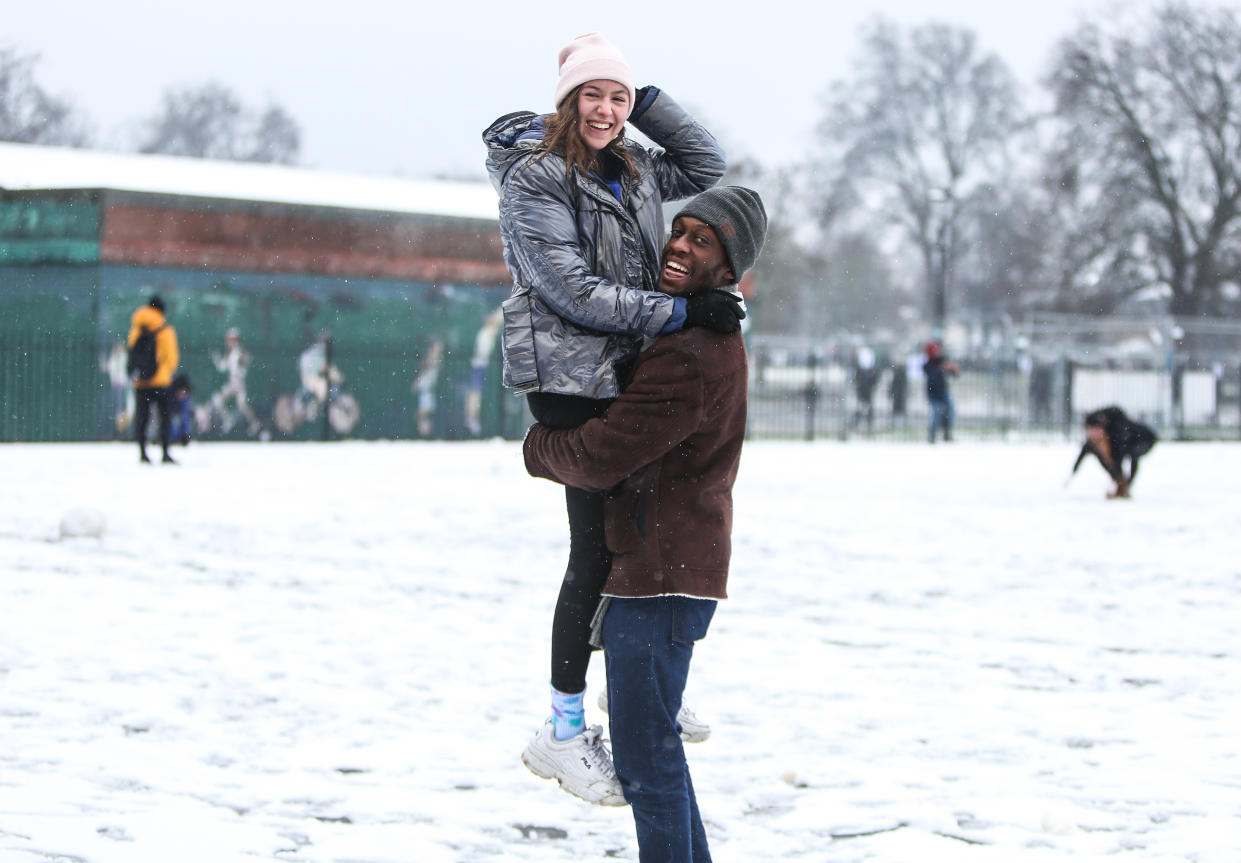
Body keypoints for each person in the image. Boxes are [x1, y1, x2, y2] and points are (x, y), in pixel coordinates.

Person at [483, 32, 733, 804]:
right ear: (565, 100)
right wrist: (682, 309)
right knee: (594, 544)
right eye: (592, 95)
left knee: (634, 527)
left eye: (617, 98)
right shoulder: (534, 179)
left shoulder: (630, 162)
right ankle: (561, 727)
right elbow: (574, 293)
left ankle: (637, 678)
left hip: (619, 365)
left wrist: (647, 99)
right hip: (567, 373)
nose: (605, 110)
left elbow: (707, 167)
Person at [524, 186, 767, 862]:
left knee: (644, 758)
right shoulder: (689, 333)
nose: (680, 245)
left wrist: (536, 448)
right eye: (680, 230)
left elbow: (603, 454)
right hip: (670, 569)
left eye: (702, 240)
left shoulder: (689, 352)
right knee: (652, 750)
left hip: (659, 576)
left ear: (728, 267)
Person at [127, 295, 180, 464]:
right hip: (161, 381)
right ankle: (165, 451)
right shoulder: (165, 330)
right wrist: (166, 371)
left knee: (143, 417)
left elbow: (132, 352)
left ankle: (142, 451)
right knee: (165, 417)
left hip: (141, 381)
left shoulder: (136, 328)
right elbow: (171, 357)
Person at [1070, 406, 1157, 498]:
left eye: (1095, 430)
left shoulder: (1116, 431)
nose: (1093, 434)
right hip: (1129, 441)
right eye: (1090, 431)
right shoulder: (1094, 441)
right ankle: (1122, 484)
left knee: (1131, 454)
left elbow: (1121, 457)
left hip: (1145, 439)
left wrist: (1123, 481)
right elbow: (1084, 452)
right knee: (1109, 458)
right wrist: (1074, 471)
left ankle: (1125, 486)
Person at [209, 327, 260, 435]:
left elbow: (244, 367)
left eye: (233, 340)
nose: (230, 342)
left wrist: (240, 372)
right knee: (218, 401)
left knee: (241, 405)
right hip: (232, 383)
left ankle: (254, 423)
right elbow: (222, 367)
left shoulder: (240, 353)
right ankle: (229, 419)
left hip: (238, 383)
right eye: (229, 340)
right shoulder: (231, 353)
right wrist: (217, 360)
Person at [923, 339, 959, 443]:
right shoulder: (927, 364)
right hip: (933, 393)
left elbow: (954, 374)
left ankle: (947, 433)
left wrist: (953, 369)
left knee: (950, 412)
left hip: (943, 392)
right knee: (936, 414)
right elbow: (932, 376)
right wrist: (941, 369)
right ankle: (932, 435)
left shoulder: (943, 360)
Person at [169, 373, 193, 446]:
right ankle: (172, 437)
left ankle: (184, 437)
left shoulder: (185, 399)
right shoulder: (170, 390)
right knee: (170, 417)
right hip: (171, 399)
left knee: (184, 415)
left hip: (179, 400)